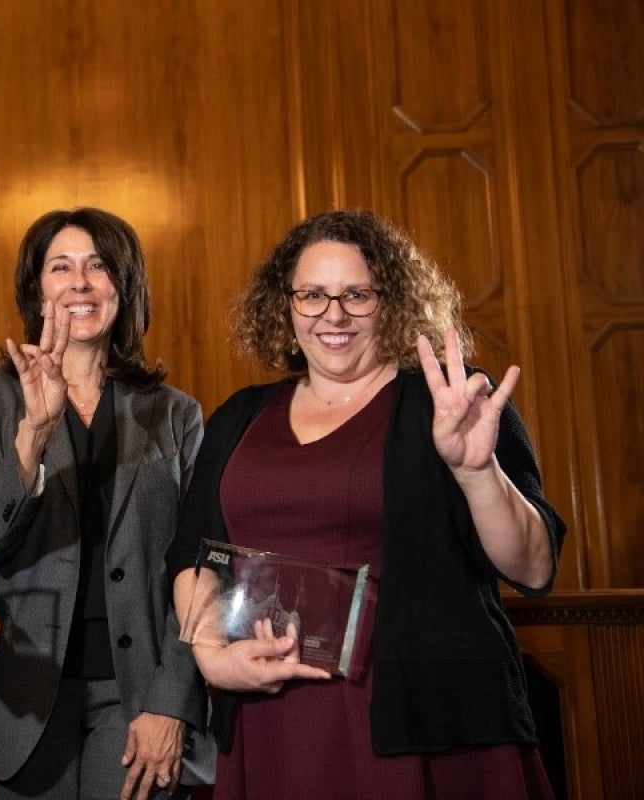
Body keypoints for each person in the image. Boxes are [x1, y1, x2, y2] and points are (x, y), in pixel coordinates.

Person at [166, 208, 566, 799]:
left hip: (424, 721)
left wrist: (475, 470)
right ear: (286, 304)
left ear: (393, 300)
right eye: (313, 295)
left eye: (357, 294)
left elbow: (533, 568)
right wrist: (209, 656)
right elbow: (193, 554)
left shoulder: (452, 403)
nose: (334, 314)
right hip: (272, 721)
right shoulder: (238, 417)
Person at [0, 207, 215, 800]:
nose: (80, 283)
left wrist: (172, 701)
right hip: (25, 694)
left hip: (140, 694)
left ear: (124, 284)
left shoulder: (175, 413)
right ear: (36, 287)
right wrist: (32, 436)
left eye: (98, 265)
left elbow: (202, 565)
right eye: (60, 267)